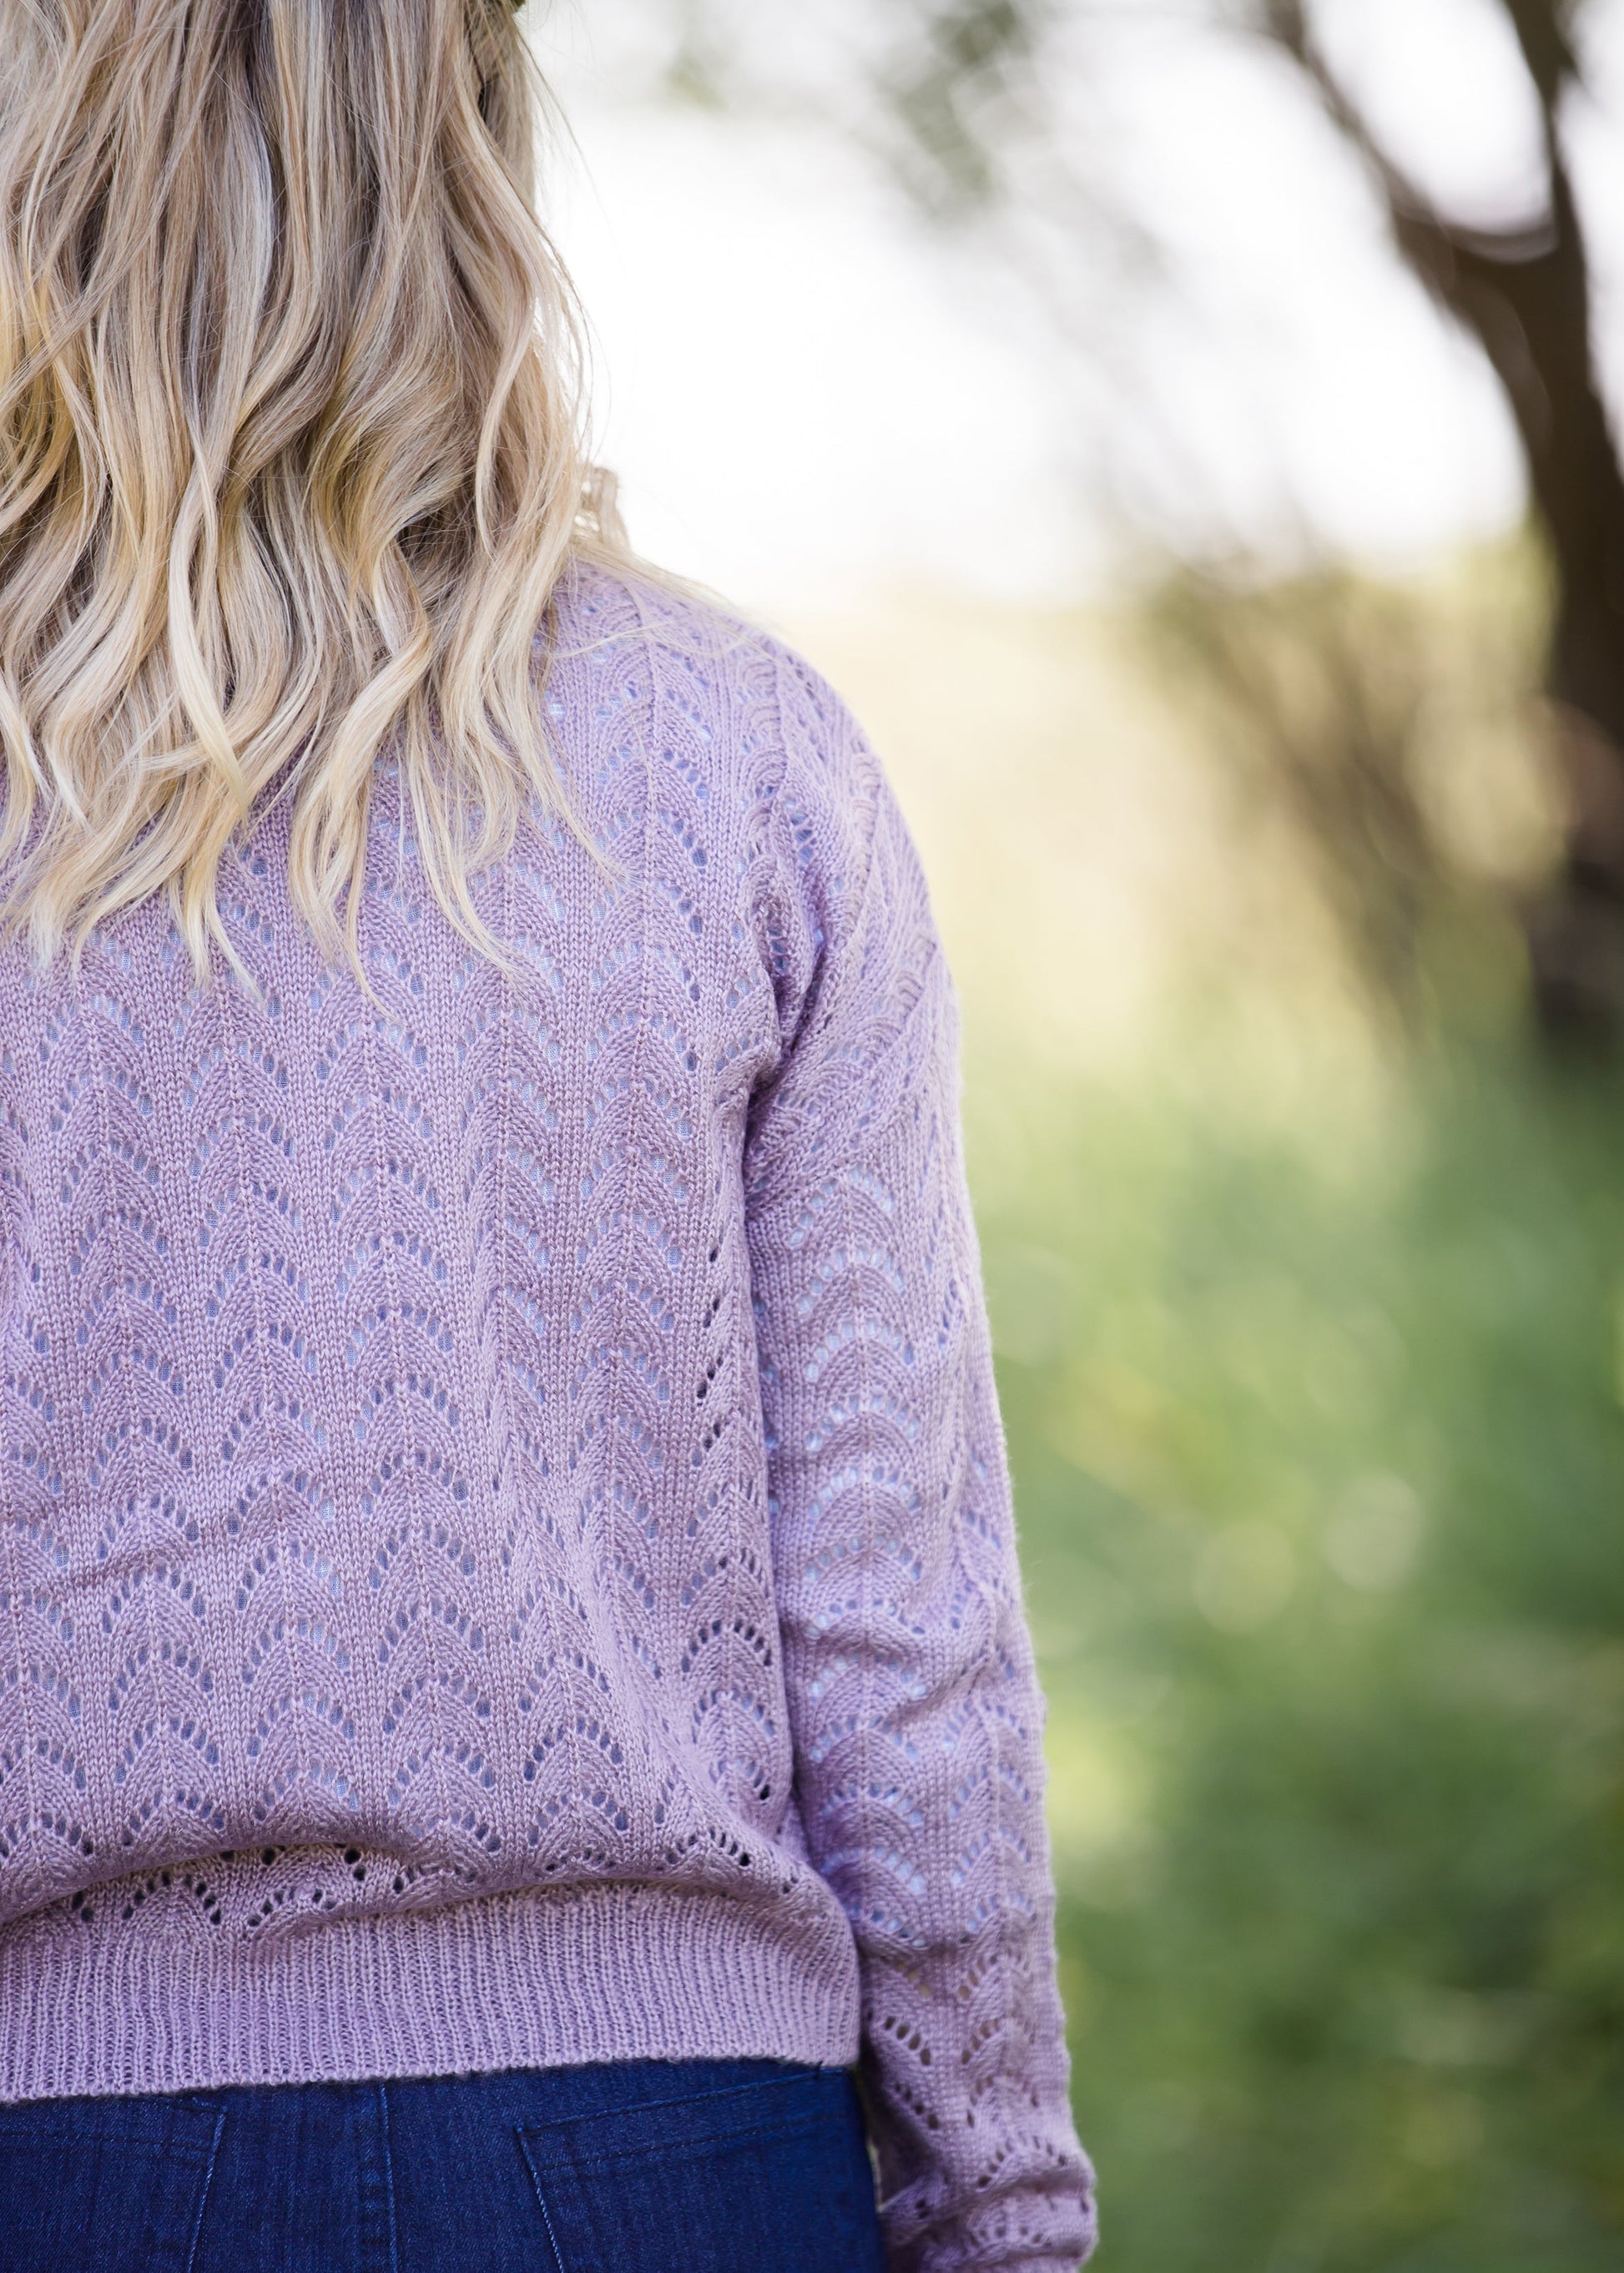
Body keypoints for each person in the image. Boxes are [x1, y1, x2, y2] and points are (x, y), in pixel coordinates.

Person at [0, 3, 1096, 2268]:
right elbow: (898, 1626)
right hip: (662, 2161)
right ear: (479, 172)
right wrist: (996, 2191)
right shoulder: (743, 766)